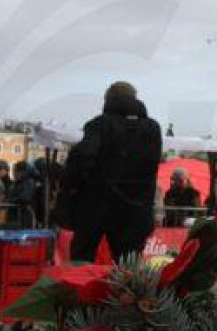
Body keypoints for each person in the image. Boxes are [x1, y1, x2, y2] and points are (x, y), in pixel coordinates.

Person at [62, 81, 162, 263]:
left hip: (97, 206)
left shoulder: (99, 125)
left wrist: (68, 186)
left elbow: (83, 158)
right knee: (129, 272)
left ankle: (77, 292)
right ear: (134, 98)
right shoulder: (153, 129)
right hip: (136, 209)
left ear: (108, 99)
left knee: (81, 263)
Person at [8, 161, 38, 227]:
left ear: (21, 172)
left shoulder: (29, 182)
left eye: (14, 171)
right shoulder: (18, 182)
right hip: (16, 214)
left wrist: (12, 200)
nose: (13, 173)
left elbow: (25, 198)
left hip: (25, 215)